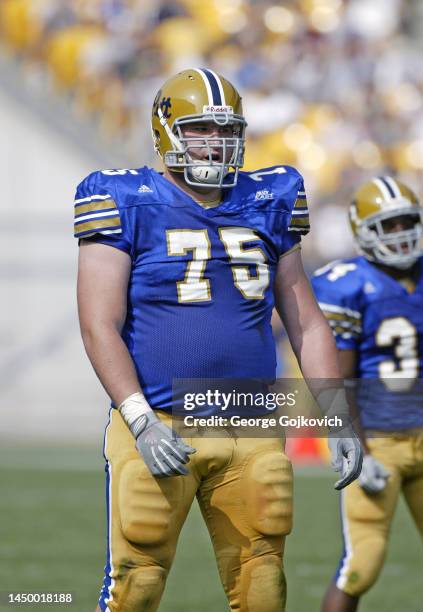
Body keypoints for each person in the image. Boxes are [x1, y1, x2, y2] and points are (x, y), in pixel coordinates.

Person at [75, 68, 362, 612]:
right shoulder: (122, 196)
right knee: (136, 583)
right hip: (161, 419)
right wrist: (137, 418)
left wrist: (336, 415)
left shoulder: (271, 194)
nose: (216, 141)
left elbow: (304, 318)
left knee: (262, 586)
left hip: (249, 422)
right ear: (167, 131)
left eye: (226, 130)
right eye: (201, 128)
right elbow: (97, 322)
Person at [312, 176, 423, 612]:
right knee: (363, 563)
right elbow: (342, 380)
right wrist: (357, 448)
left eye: (406, 223)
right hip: (380, 440)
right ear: (363, 231)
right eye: (388, 226)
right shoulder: (347, 284)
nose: (400, 235)